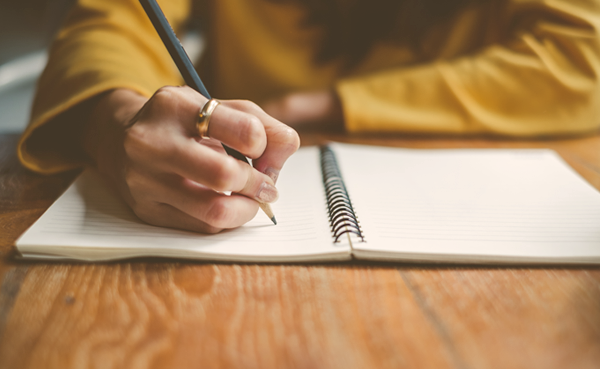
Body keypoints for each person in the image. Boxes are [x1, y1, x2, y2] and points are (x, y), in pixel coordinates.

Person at [18, 0, 600, 233]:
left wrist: (323, 104)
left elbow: (585, 56)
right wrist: (116, 120)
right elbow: (111, 22)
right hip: (217, 181)